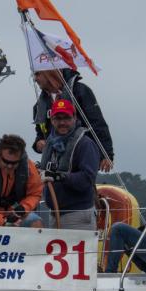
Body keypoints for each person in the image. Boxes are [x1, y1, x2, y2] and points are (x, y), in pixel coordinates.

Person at [32, 68, 114, 172]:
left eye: (37, 74)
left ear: (49, 72)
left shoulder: (80, 91)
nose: (35, 79)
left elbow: (97, 123)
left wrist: (106, 154)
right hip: (53, 164)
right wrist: (38, 143)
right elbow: (40, 132)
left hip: (81, 157)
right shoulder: (39, 105)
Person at [38, 98, 100, 230]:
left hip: (77, 216)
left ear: (74, 118)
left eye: (66, 118)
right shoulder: (50, 143)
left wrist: (60, 176)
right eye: (58, 118)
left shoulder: (85, 144)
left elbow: (87, 179)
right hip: (54, 214)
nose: (62, 122)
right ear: (52, 120)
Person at [0, 134, 44, 227]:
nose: (9, 166)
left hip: (16, 215)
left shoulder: (29, 168)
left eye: (14, 163)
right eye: (6, 161)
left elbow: (35, 193)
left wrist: (23, 208)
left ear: (20, 158)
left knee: (35, 222)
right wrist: (3, 221)